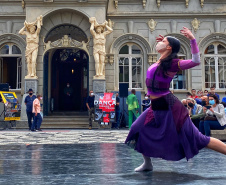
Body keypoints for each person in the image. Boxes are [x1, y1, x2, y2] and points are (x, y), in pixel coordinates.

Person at [125, 27, 226, 172]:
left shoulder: (173, 63)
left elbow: (196, 60)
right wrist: (163, 44)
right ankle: (147, 163)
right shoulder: (160, 61)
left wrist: (192, 39)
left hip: (171, 107)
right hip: (155, 106)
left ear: (169, 46)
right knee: (137, 129)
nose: (159, 42)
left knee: (199, 139)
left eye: (164, 41)